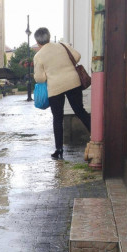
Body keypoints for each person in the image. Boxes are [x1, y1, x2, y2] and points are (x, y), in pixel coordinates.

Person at [33, 27, 91, 160]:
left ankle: (59, 149)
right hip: (73, 82)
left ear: (37, 41)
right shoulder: (62, 45)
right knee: (80, 111)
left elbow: (40, 78)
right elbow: (77, 56)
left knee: (57, 118)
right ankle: (96, 135)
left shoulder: (38, 56)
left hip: (55, 88)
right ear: (49, 36)